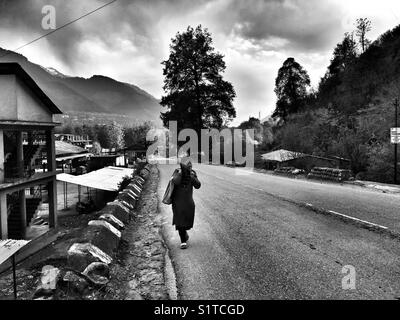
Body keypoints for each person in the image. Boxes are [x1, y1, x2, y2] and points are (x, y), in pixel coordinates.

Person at [170, 158, 201, 249]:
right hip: (177, 203)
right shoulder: (177, 172)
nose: (190, 167)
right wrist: (182, 173)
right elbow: (175, 181)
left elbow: (198, 185)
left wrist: (192, 176)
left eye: (191, 165)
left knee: (186, 222)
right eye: (188, 165)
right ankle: (183, 241)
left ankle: (184, 234)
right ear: (183, 165)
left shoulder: (192, 174)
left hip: (188, 203)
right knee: (179, 222)